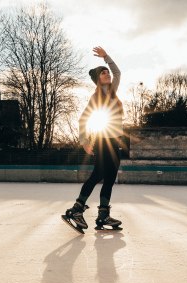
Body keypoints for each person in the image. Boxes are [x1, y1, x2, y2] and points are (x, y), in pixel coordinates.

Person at [64, 46, 123, 231]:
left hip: (115, 141)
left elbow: (117, 72)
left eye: (107, 72)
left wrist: (107, 57)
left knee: (110, 178)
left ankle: (103, 214)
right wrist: (85, 141)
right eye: (103, 73)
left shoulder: (112, 91)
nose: (108, 74)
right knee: (98, 174)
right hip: (103, 141)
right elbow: (84, 119)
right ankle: (76, 209)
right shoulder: (96, 97)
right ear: (98, 79)